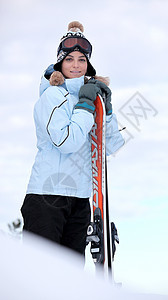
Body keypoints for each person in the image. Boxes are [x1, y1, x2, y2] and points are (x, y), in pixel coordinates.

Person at [20, 21, 124, 258]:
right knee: (41, 274)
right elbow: (67, 142)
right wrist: (86, 107)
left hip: (81, 199)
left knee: (69, 278)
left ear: (88, 64)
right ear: (60, 63)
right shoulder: (51, 96)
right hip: (47, 196)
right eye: (69, 59)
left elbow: (112, 145)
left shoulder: (90, 97)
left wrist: (105, 111)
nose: (76, 65)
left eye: (81, 60)